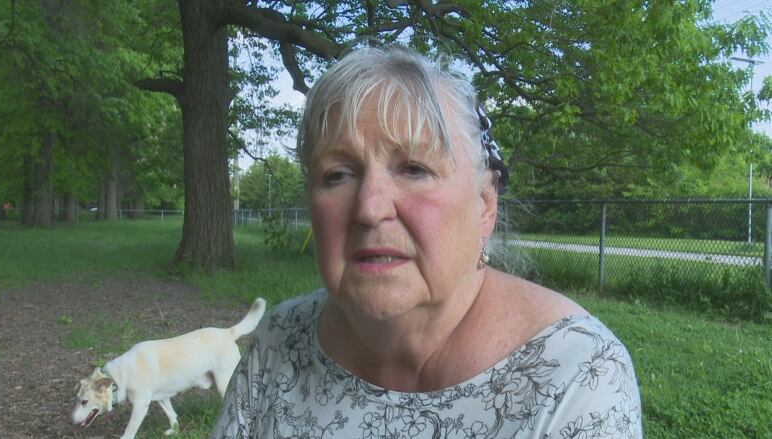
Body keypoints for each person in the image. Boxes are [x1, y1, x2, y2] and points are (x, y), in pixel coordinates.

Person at [211, 45, 642, 438]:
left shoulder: (577, 375)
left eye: (414, 169)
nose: (369, 207)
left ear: (484, 207)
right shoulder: (278, 341)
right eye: (338, 174)